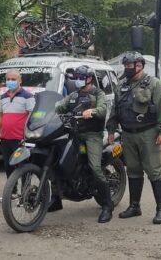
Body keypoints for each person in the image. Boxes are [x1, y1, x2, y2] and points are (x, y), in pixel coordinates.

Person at [107, 52, 161, 224]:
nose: (127, 69)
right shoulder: (121, 85)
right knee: (133, 170)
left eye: (130, 66)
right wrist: (111, 130)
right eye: (126, 66)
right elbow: (115, 109)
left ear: (140, 66)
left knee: (154, 171)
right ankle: (134, 206)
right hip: (128, 134)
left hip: (148, 133)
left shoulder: (153, 83)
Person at [54, 65, 112, 223]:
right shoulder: (73, 95)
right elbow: (59, 106)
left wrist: (92, 111)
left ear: (89, 78)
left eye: (81, 78)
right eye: (76, 78)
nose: (78, 80)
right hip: (75, 134)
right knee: (56, 160)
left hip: (92, 135)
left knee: (95, 167)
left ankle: (107, 206)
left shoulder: (97, 93)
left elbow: (102, 109)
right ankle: (55, 199)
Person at [0, 69, 35, 200]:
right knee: (8, 166)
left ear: (20, 81)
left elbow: (32, 116)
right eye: (8, 79)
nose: (10, 81)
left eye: (13, 79)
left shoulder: (28, 96)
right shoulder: (3, 97)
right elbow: (0, 115)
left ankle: (26, 194)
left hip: (20, 139)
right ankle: (12, 192)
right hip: (5, 138)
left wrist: (27, 135)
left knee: (23, 167)